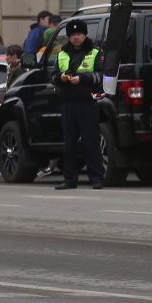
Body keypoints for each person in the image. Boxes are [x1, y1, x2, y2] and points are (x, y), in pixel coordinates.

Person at [53, 19, 105, 190]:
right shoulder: (62, 54)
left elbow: (101, 75)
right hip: (68, 102)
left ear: (85, 35)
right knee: (69, 143)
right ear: (68, 37)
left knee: (91, 141)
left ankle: (96, 178)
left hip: (87, 101)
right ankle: (69, 179)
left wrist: (81, 79)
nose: (76, 37)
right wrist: (60, 78)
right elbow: (53, 76)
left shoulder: (95, 52)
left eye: (79, 34)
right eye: (73, 35)